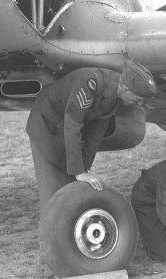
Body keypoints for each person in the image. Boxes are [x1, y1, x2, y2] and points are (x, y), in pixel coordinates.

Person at [26, 60, 157, 210]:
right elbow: (73, 123)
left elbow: (96, 132)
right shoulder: (91, 82)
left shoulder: (115, 95)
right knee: (53, 192)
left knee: (73, 184)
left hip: (64, 130)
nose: (139, 104)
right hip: (46, 124)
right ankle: (51, 228)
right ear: (126, 89)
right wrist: (79, 171)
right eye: (138, 99)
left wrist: (84, 168)